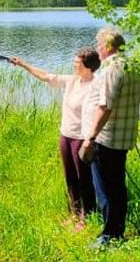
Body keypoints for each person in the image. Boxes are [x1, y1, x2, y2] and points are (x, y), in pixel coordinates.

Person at [6, 48, 101, 230]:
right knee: (70, 177)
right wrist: (23, 64)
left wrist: (92, 138)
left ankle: (86, 218)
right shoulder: (72, 80)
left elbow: (103, 111)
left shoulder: (95, 86)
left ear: (88, 66)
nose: (74, 64)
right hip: (66, 135)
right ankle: (74, 214)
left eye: (77, 62)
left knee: (84, 179)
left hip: (82, 138)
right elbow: (46, 77)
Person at [81, 27, 140, 246]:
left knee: (105, 189)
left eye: (99, 44)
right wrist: (128, 105)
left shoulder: (112, 69)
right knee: (117, 186)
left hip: (107, 138)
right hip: (125, 137)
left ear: (108, 46)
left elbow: (105, 107)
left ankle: (109, 236)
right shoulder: (133, 65)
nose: (97, 48)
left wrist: (90, 138)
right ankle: (117, 231)